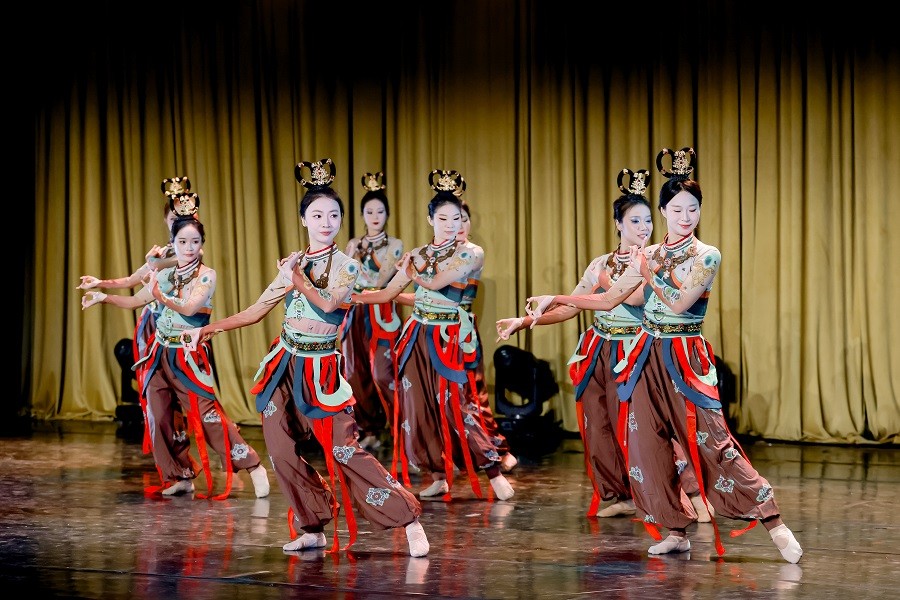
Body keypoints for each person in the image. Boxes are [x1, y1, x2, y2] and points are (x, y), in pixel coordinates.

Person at [525, 148, 802, 563]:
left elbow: (679, 303)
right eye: (676, 209)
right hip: (645, 354)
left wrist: (649, 274)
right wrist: (557, 299)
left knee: (713, 441)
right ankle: (675, 530)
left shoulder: (706, 254)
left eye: (692, 209)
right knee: (645, 445)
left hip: (684, 354)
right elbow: (610, 299)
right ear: (663, 211)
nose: (685, 217)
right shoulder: (650, 253)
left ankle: (773, 521)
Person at [179, 159, 429, 557]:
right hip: (283, 363)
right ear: (303, 220)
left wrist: (295, 277)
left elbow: (329, 303)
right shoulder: (293, 265)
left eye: (333, 215)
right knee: (279, 450)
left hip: (321, 369)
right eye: (317, 215)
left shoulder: (347, 266)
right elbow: (256, 311)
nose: (326, 222)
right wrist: (205, 330)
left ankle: (408, 518)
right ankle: (311, 525)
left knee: (344, 449)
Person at [496, 168, 711, 521]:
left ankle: (690, 495)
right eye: (635, 221)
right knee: (599, 426)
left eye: (647, 220)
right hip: (598, 349)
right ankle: (620, 494)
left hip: (636, 351)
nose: (643, 227)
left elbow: (633, 299)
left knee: (647, 428)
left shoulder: (654, 259)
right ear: (618, 224)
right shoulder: (601, 264)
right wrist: (525, 321)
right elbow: (572, 306)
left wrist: (610, 281)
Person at [81, 191, 271, 501]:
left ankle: (251, 465)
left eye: (194, 241)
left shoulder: (206, 276)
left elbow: (190, 307)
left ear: (202, 244)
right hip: (159, 353)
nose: (189, 247)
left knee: (207, 416)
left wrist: (160, 294)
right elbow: (135, 298)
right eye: (182, 241)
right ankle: (178, 475)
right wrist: (103, 294)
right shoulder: (165, 273)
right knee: (158, 416)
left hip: (188, 355)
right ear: (174, 242)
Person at [350, 169, 515, 502]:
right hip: (417, 333)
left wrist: (410, 270)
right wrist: (352, 297)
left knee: (456, 404)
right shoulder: (418, 254)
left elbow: (436, 282)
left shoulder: (471, 252)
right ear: (430, 220)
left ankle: (493, 470)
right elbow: (389, 292)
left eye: (457, 218)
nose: (451, 225)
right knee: (417, 407)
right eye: (443, 218)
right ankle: (437, 474)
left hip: (448, 336)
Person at [77, 177, 192, 486]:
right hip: (151, 332)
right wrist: (100, 283)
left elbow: (160, 268)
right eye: (172, 218)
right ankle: (178, 472)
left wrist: (153, 264)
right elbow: (132, 280)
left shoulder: (189, 252)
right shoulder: (163, 252)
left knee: (191, 405)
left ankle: (243, 462)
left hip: (177, 334)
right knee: (158, 407)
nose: (177, 223)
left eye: (182, 217)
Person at [339, 172, 404, 452]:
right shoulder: (353, 243)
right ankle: (370, 429)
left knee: (383, 374)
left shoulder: (395, 245)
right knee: (355, 373)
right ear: (362, 215)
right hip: (355, 312)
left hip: (381, 310)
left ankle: (401, 431)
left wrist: (358, 261)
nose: (375, 216)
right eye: (369, 211)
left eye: (380, 211)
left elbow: (380, 278)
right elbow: (344, 278)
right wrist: (353, 256)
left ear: (387, 214)